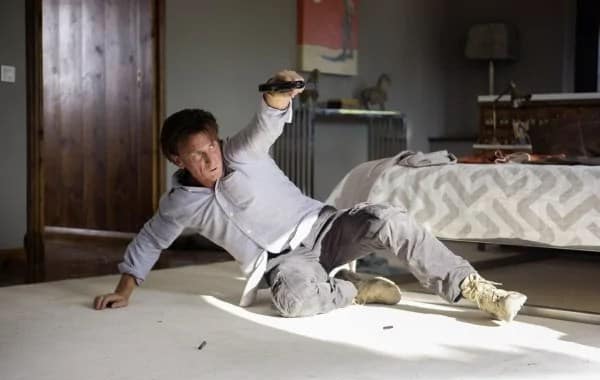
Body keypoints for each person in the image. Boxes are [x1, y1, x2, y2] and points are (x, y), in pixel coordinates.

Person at [94, 70, 527, 322]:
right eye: (197, 155)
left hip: (325, 228)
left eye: (212, 146)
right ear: (177, 159)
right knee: (292, 302)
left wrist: (279, 93)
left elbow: (265, 123)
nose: (211, 159)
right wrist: (124, 291)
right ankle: (352, 290)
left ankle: (475, 289)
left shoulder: (240, 152)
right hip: (284, 264)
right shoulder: (177, 203)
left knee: (389, 220)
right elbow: (150, 240)